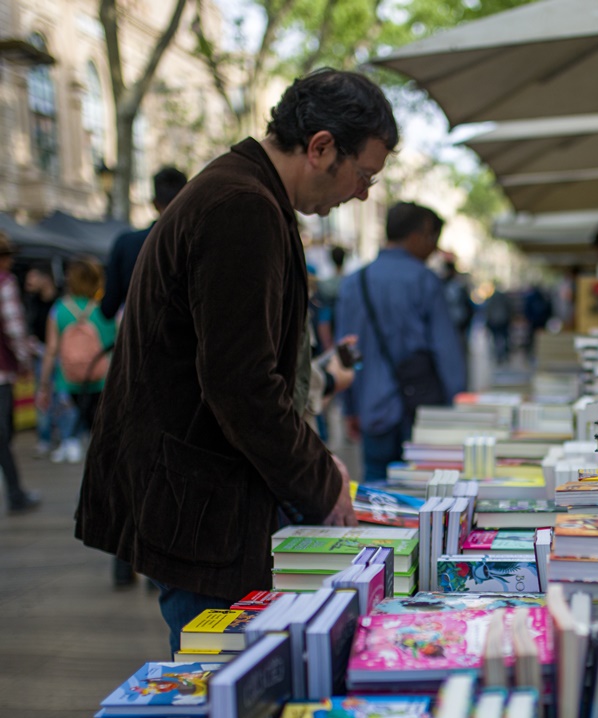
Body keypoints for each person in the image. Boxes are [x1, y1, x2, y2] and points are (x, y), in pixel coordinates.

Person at [76, 68, 398, 654]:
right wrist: (322, 481)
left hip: (203, 498)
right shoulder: (241, 207)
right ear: (321, 146)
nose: (363, 193)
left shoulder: (245, 194)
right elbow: (241, 381)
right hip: (201, 508)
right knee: (226, 683)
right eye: (365, 174)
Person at [335, 202, 466, 484]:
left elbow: (346, 351)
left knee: (375, 492)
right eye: (433, 238)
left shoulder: (353, 282)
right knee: (423, 491)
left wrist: (350, 406)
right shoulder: (425, 280)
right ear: (418, 235)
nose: (433, 247)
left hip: (372, 407)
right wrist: (456, 407)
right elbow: (447, 351)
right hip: (422, 413)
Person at [37, 256, 116, 464]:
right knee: (102, 433)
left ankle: (70, 443)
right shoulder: (107, 309)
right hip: (103, 378)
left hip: (68, 380)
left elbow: (51, 350)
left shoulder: (59, 310)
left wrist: (44, 384)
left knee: (71, 421)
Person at [101, 166, 188, 320]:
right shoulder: (195, 244)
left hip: (140, 336)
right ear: (187, 200)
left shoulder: (126, 244)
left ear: (154, 203)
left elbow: (108, 308)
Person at [0, 232, 39, 514]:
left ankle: (16, 493)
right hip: (1, 374)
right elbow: (13, 329)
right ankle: (15, 494)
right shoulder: (5, 283)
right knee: (2, 436)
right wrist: (25, 360)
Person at [22, 264, 64, 459]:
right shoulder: (33, 301)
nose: (29, 284)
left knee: (58, 397)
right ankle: (46, 437)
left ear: (45, 278)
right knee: (45, 396)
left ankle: (59, 436)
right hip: (42, 354)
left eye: (33, 279)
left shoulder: (60, 303)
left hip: (58, 355)